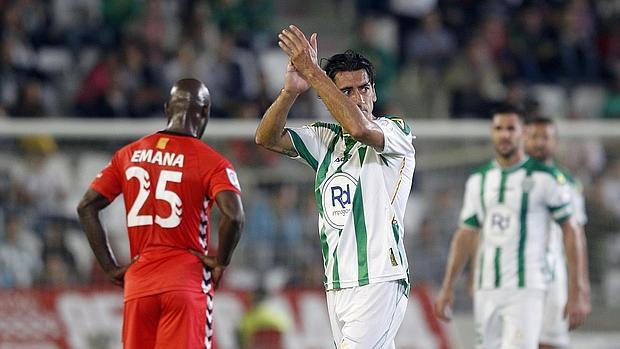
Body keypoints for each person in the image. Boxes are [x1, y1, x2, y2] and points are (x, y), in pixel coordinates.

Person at [255, 25, 415, 348]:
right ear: (330, 98)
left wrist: (313, 72)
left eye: (364, 88)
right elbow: (266, 138)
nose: (358, 98)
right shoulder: (323, 138)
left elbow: (359, 128)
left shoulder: (395, 132)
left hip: (379, 278)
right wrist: (290, 92)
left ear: (374, 92)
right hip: (338, 283)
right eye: (347, 92)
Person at [77, 78, 244, 349]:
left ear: (168, 109)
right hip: (185, 279)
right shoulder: (212, 161)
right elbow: (234, 216)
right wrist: (221, 261)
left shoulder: (128, 154)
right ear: (205, 112)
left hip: (139, 283)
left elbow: (86, 206)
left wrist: (109, 268)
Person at [433, 106, 589, 349]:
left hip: (528, 286)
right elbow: (467, 233)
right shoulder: (479, 180)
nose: (504, 135)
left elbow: (573, 230)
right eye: (498, 128)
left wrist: (578, 288)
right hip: (487, 287)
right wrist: (448, 285)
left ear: (521, 133)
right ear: (491, 132)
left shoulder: (548, 178)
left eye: (510, 129)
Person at [524, 116, 591, 349]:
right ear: (524, 139)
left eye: (545, 137)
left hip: (552, 277)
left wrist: (580, 287)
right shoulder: (506, 178)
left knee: (549, 343)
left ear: (555, 142)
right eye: (533, 137)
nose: (539, 143)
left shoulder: (568, 183)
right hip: (512, 278)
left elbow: (576, 234)